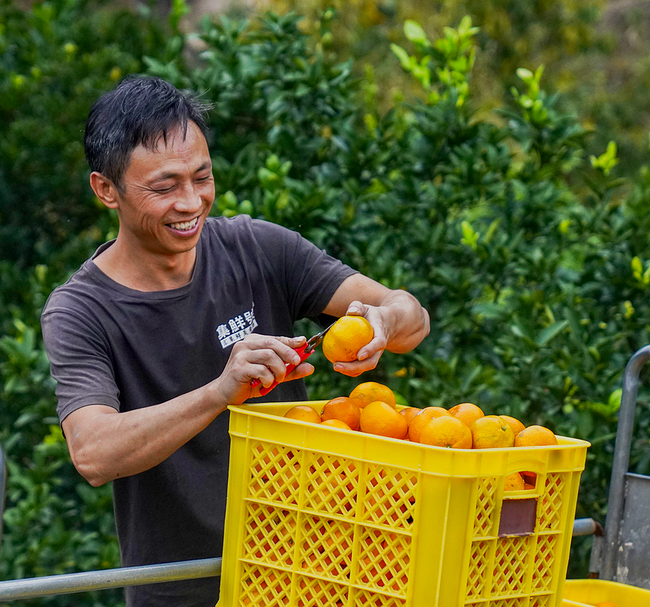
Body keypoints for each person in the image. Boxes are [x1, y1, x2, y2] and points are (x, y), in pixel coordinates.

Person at [40, 76, 430, 607]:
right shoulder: (81, 311)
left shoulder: (258, 247)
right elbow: (94, 452)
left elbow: (410, 316)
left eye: (202, 177)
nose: (191, 201)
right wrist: (219, 390)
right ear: (106, 189)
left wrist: (387, 320)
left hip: (317, 574)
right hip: (184, 591)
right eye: (164, 186)